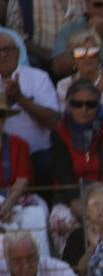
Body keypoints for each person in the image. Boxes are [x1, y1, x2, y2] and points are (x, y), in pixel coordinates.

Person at [47, 79, 103, 256]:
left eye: (90, 104)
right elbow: (62, 174)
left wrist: (102, 204)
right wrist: (75, 202)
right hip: (73, 198)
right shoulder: (59, 134)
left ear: (98, 106)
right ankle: (75, 269)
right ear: (69, 106)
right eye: (77, 104)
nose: (84, 109)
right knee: (61, 222)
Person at [0, 29, 60, 181]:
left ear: (18, 52)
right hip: (4, 156)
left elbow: (53, 120)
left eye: (6, 50)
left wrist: (20, 99)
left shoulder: (38, 77)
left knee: (48, 163)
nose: (2, 55)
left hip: (38, 155)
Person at [0, 101, 50, 257]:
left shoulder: (18, 144)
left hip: (15, 198)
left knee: (37, 213)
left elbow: (23, 179)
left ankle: (39, 266)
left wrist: (8, 203)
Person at [0, 231, 87, 276]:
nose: (26, 265)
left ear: (38, 254)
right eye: (18, 260)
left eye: (30, 257)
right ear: (7, 259)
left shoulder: (57, 268)